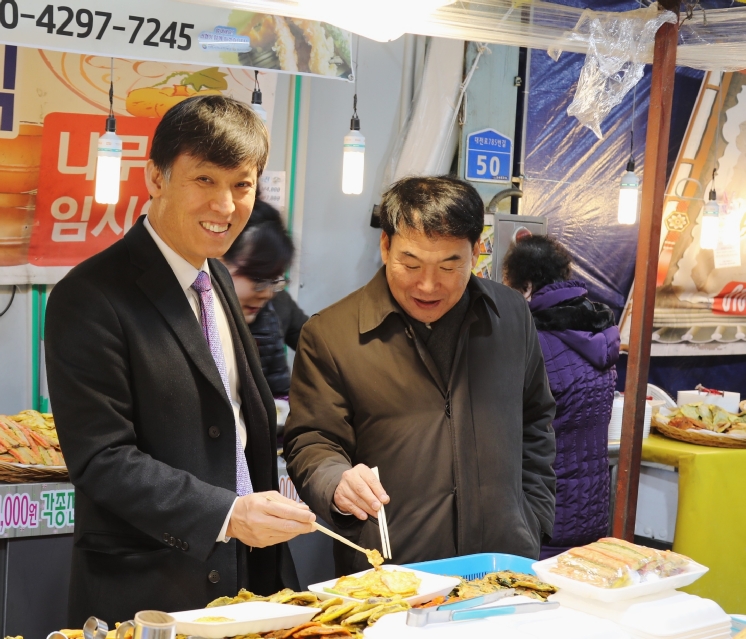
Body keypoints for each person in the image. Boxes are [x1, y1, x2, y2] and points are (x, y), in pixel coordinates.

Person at [45, 95, 316, 626]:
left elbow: (235, 419)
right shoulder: (90, 296)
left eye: (242, 185)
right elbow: (102, 459)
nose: (225, 205)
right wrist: (228, 514)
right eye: (204, 181)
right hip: (151, 588)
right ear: (156, 178)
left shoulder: (213, 277)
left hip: (243, 582)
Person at [284, 176, 557, 575]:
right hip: (389, 579)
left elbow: (536, 421)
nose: (428, 285)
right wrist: (336, 481)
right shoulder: (331, 335)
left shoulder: (512, 315)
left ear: (476, 253)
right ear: (385, 247)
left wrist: (532, 520)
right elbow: (311, 440)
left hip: (505, 568)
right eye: (410, 264)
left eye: (450, 265)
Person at [502, 234, 619, 559]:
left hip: (545, 513)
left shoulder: (532, 341)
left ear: (525, 287)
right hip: (592, 509)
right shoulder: (599, 330)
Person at [221, 200, 307, 397]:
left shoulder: (277, 303)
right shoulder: (192, 318)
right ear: (220, 260)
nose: (267, 293)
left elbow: (317, 344)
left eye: (274, 280)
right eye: (257, 278)